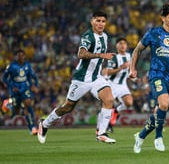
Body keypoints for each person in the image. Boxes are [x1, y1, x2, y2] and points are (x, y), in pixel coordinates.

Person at [37, 10, 117, 144]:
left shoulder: (105, 36)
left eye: (103, 21)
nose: (100, 24)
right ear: (92, 21)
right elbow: (81, 54)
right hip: (81, 78)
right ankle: (45, 124)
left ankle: (101, 133)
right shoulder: (88, 36)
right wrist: (100, 55)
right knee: (68, 107)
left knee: (109, 99)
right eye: (98, 20)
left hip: (96, 77)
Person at [130, 3, 169, 153]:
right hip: (157, 74)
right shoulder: (153, 33)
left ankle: (141, 136)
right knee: (163, 104)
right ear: (163, 18)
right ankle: (158, 138)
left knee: (159, 112)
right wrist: (132, 68)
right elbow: (137, 50)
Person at [100, 37, 133, 133]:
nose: (123, 45)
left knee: (129, 103)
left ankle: (116, 111)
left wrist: (133, 74)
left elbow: (131, 69)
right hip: (112, 84)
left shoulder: (130, 56)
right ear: (117, 46)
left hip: (123, 84)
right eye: (120, 43)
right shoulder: (114, 57)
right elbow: (109, 72)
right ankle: (103, 127)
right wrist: (121, 68)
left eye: (124, 43)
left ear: (126, 46)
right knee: (107, 105)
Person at [2, 49, 39, 135]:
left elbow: (33, 76)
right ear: (16, 57)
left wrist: (34, 85)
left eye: (22, 55)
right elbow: (4, 78)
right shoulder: (11, 66)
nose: (21, 57)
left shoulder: (27, 65)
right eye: (19, 55)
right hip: (15, 90)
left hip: (25, 88)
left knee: (28, 104)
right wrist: (11, 86)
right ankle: (7, 104)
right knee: (16, 112)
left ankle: (33, 128)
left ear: (24, 56)